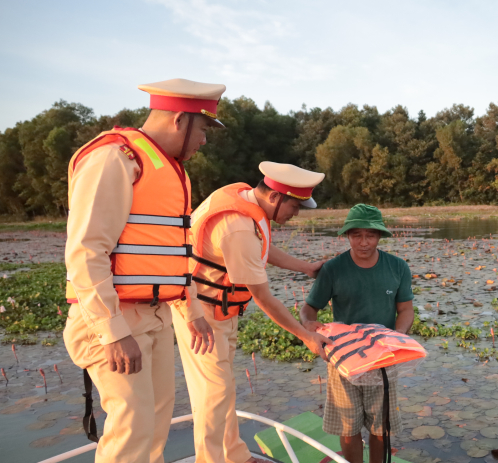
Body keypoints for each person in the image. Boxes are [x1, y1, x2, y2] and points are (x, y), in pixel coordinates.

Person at [63, 78, 223, 463]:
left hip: (155, 316)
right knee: (132, 427)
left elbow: (170, 256)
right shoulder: (114, 159)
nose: (204, 141)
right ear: (180, 120)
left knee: (155, 423)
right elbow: (86, 250)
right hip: (114, 318)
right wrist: (113, 331)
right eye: (203, 129)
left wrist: (192, 312)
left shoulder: (169, 170)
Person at [171, 161, 333, 463]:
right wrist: (305, 336)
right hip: (201, 314)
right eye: (294, 206)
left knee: (223, 389)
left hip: (222, 311)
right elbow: (264, 298)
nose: (296, 214)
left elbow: (261, 249)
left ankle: (234, 455)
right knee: (213, 393)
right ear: (275, 196)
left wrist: (306, 267)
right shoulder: (237, 227)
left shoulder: (246, 201)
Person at [299, 204, 415, 463]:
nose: (364, 242)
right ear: (347, 236)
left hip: (383, 356)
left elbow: (406, 310)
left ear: (380, 235)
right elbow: (308, 309)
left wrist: (398, 336)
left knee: (380, 427)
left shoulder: (397, 267)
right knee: (348, 426)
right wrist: (309, 326)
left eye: (370, 235)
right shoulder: (333, 269)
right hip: (345, 358)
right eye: (356, 235)